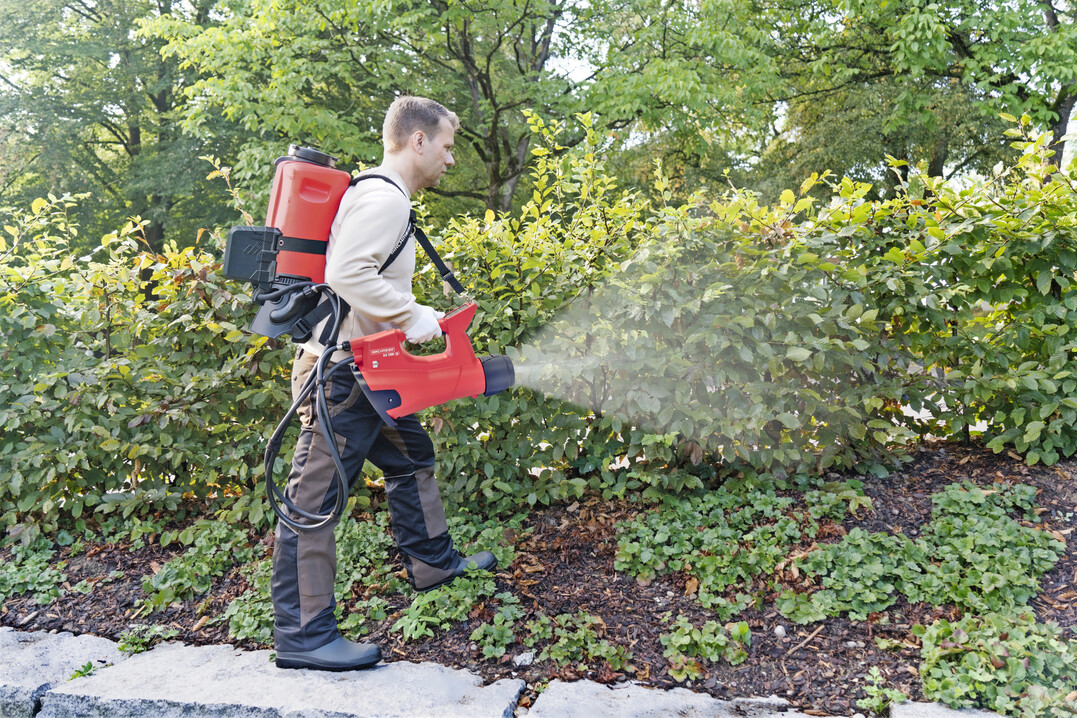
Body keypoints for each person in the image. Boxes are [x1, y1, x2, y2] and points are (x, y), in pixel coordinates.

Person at [271, 96, 496, 672]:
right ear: (417, 142)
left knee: (412, 457)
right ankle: (304, 635)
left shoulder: (379, 193)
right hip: (343, 377)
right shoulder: (384, 199)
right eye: (446, 147)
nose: (450, 160)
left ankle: (433, 563)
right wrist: (413, 315)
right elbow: (347, 272)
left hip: (371, 371)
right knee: (313, 504)